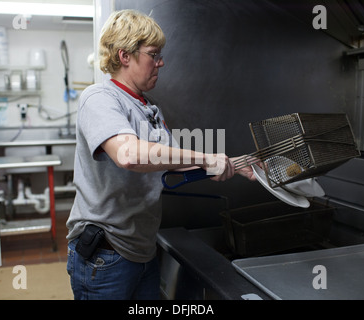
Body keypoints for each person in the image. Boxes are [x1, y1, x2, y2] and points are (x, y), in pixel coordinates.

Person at [66, 9, 256, 300]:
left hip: (142, 248)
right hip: (106, 256)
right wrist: (205, 158)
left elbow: (166, 163)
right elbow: (129, 154)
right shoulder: (99, 98)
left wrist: (234, 163)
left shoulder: (149, 107)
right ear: (124, 56)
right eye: (153, 54)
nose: (161, 62)